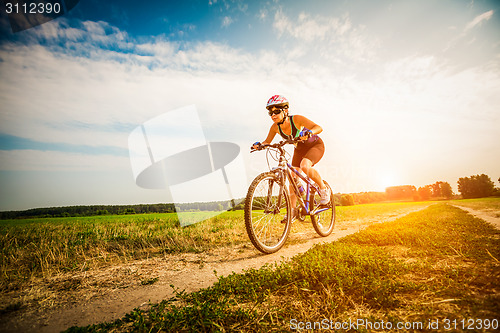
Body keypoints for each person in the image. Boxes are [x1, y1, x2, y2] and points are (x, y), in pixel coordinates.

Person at [252, 95, 330, 221]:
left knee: (305, 166)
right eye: (270, 113)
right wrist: (260, 145)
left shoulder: (297, 119)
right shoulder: (275, 127)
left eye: (276, 111)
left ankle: (323, 188)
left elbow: (318, 128)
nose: (273, 115)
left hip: (315, 145)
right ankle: (293, 210)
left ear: (285, 111)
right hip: (299, 149)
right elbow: (267, 141)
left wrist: (310, 132)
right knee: (292, 179)